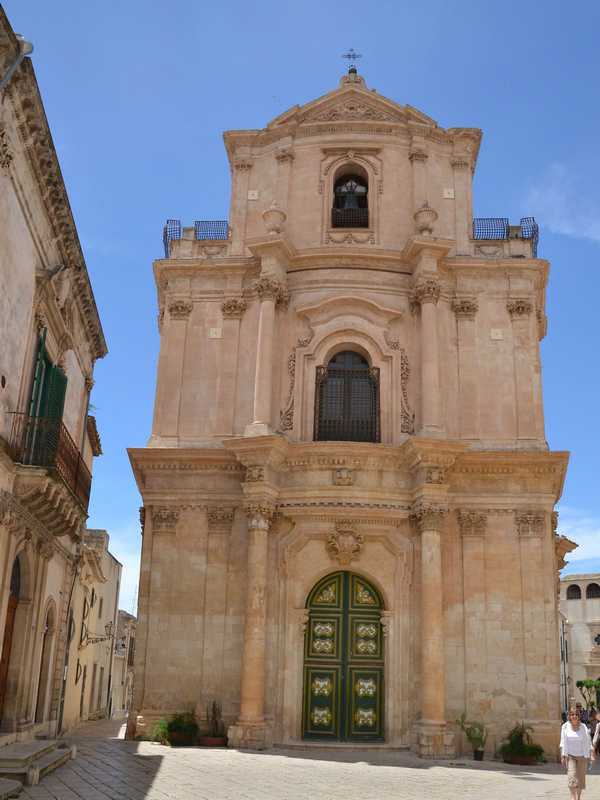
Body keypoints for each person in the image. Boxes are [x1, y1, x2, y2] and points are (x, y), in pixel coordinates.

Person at [560, 707, 596, 800]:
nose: (574, 716)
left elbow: (588, 742)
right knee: (571, 776)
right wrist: (562, 757)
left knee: (580, 779)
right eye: (572, 714)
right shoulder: (565, 727)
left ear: (579, 716)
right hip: (570, 756)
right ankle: (573, 797)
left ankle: (578, 798)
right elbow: (562, 742)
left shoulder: (583, 727)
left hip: (582, 756)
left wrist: (592, 755)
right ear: (569, 716)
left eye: (576, 715)